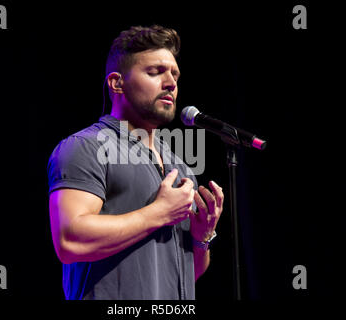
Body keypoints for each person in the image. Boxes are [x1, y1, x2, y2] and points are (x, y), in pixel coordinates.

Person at [47, 25, 224, 300]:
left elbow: (188, 274)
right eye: (155, 72)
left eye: (175, 75)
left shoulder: (181, 168)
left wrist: (202, 239)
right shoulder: (85, 147)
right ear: (117, 83)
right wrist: (159, 213)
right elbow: (70, 241)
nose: (171, 83)